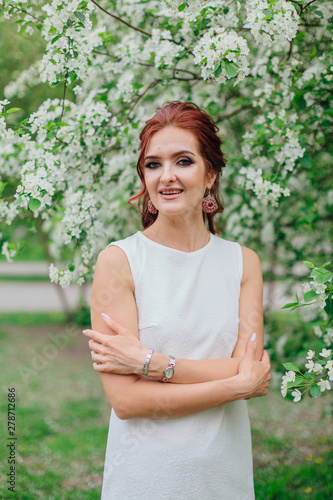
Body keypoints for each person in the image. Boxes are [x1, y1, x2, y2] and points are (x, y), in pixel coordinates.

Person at [83, 101, 271, 499]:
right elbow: (128, 401)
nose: (166, 177)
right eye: (153, 164)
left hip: (225, 475)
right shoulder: (119, 262)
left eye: (183, 161)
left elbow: (249, 368)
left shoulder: (244, 263)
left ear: (210, 173)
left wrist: (148, 363)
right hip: (146, 478)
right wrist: (236, 384)